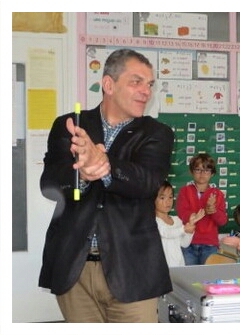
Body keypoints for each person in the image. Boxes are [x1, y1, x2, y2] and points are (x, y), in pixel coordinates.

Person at [39, 48, 175, 322]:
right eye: (136, 81)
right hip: (74, 270)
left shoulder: (158, 133)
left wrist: (105, 164)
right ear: (108, 84)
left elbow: (147, 182)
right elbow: (49, 182)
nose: (145, 91)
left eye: (149, 84)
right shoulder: (71, 126)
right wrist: (83, 175)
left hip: (133, 271)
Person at [176, 153, 228, 265]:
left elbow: (222, 221)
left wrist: (213, 210)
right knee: (189, 279)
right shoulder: (184, 191)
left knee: (207, 280)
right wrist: (197, 214)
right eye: (198, 170)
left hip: (210, 245)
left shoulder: (217, 194)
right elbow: (182, 214)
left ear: (212, 173)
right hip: (188, 243)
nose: (202, 174)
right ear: (191, 171)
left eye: (206, 170)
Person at [155, 180, 205, 267]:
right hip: (161, 268)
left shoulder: (176, 220)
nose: (168, 202)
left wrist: (190, 228)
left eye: (170, 197)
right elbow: (166, 233)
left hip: (178, 266)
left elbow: (184, 244)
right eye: (162, 198)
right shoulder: (152, 221)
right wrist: (184, 229)